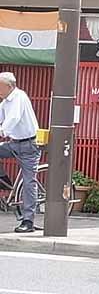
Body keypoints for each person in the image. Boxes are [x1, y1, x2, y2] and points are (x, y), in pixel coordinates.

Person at [0, 72, 41, 233]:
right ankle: (4, 180)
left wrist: (2, 131)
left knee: (29, 181)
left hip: (29, 145)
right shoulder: (6, 101)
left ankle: (28, 220)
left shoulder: (19, 97)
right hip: (14, 143)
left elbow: (13, 119)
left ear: (9, 86)